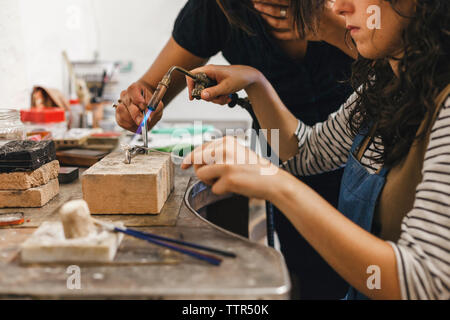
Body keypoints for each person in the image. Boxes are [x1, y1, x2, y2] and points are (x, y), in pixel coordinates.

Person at [181, 0, 450, 299]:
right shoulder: (385, 83)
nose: (339, 8)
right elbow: (305, 154)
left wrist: (276, 184)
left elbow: (425, 283)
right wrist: (256, 83)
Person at [115, 0, 356, 299]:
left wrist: (337, 31)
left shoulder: (357, 20)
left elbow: (408, 62)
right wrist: (255, 83)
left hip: (366, 162)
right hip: (296, 152)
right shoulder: (216, 9)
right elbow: (302, 153)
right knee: (312, 280)